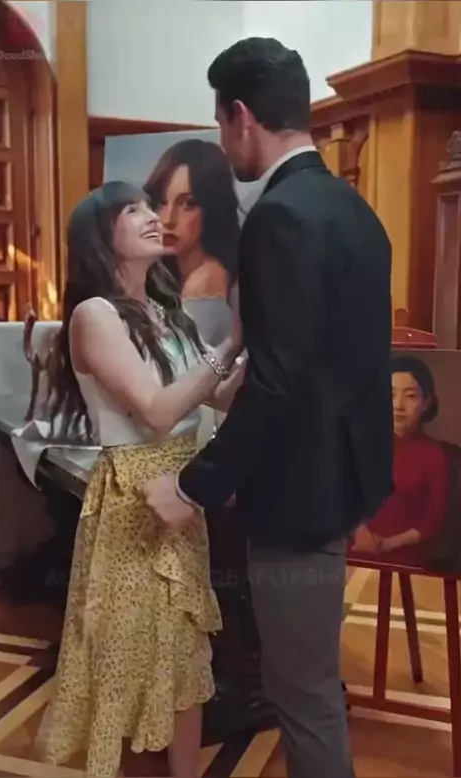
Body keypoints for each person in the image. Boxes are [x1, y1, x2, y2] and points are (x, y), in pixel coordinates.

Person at [145, 38, 393, 778]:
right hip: (343, 476)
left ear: (242, 116)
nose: (224, 146)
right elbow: (325, 359)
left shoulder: (280, 215)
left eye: (221, 126)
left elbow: (281, 386)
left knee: (303, 696)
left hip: (298, 493)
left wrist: (193, 484)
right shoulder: (352, 207)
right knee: (309, 687)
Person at [36, 181, 244, 778]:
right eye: (134, 210)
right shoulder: (93, 315)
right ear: (100, 236)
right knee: (128, 655)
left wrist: (258, 348)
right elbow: (157, 411)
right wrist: (232, 340)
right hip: (134, 497)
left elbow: (217, 397)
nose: (154, 217)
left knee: (183, 655)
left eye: (151, 207)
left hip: (182, 489)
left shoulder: (167, 311)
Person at [350, 356, 448, 568]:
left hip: (406, 560)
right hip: (355, 552)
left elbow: (432, 520)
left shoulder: (435, 455)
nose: (398, 405)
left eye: (410, 396)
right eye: (391, 394)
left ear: (426, 402)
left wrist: (387, 544)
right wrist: (359, 531)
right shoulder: (359, 443)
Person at [144, 138, 240, 346]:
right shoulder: (172, 275)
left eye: (188, 204)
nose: (168, 220)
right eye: (161, 202)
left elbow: (178, 361)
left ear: (213, 208)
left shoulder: (206, 279)